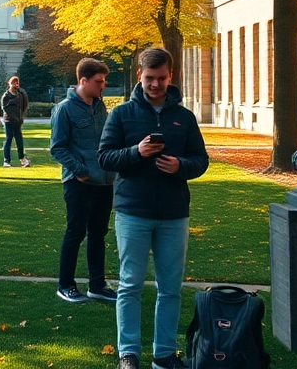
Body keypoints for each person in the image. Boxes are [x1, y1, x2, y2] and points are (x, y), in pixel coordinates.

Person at [99, 47, 210, 369]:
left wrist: (180, 166)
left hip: (174, 212)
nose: (155, 85)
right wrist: (137, 151)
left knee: (170, 288)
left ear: (170, 76)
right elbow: (105, 158)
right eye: (150, 78)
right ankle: (128, 353)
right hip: (133, 210)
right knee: (130, 284)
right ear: (139, 76)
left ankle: (164, 354)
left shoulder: (184, 117)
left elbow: (201, 160)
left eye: (161, 79)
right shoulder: (121, 114)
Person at [49, 58, 115, 306]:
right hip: (78, 183)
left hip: (104, 181)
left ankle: (97, 285)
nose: (103, 85)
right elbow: (56, 148)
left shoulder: (100, 107)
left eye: (104, 80)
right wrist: (79, 170)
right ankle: (65, 286)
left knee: (98, 234)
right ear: (83, 81)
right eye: (99, 81)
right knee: (75, 233)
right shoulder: (65, 109)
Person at [1, 75, 31, 167]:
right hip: (9, 120)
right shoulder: (6, 96)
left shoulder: (21, 94)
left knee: (19, 140)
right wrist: (12, 117)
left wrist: (21, 117)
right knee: (9, 139)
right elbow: (5, 108)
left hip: (18, 121)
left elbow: (24, 106)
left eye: (17, 82)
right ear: (10, 84)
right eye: (14, 82)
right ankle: (6, 160)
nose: (16, 84)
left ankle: (22, 159)